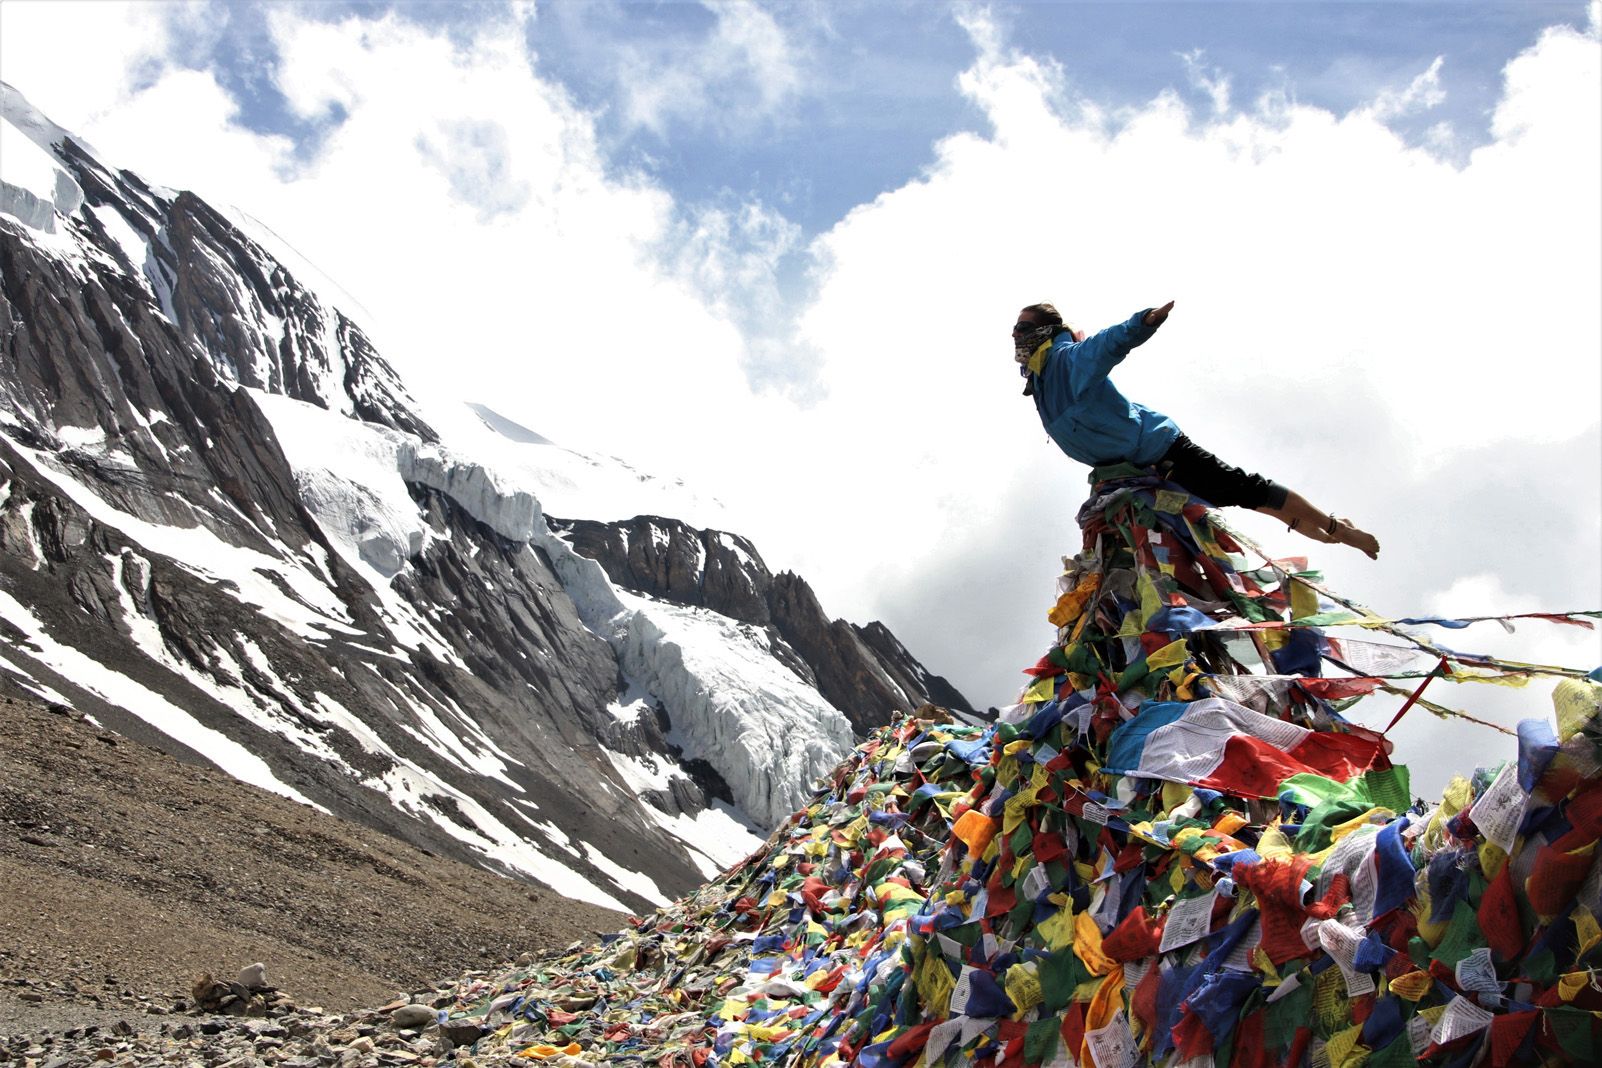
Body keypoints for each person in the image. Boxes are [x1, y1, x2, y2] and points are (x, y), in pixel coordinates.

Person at [1014, 300, 1380, 558]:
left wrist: (1142, 322)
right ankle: (1326, 532)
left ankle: (1337, 529)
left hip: (1162, 451)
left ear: (1045, 330)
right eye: (1016, 328)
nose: (1016, 334)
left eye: (1024, 327)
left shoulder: (1066, 360)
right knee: (1231, 504)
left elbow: (1106, 345)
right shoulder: (1040, 382)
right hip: (1128, 478)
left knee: (1246, 489)